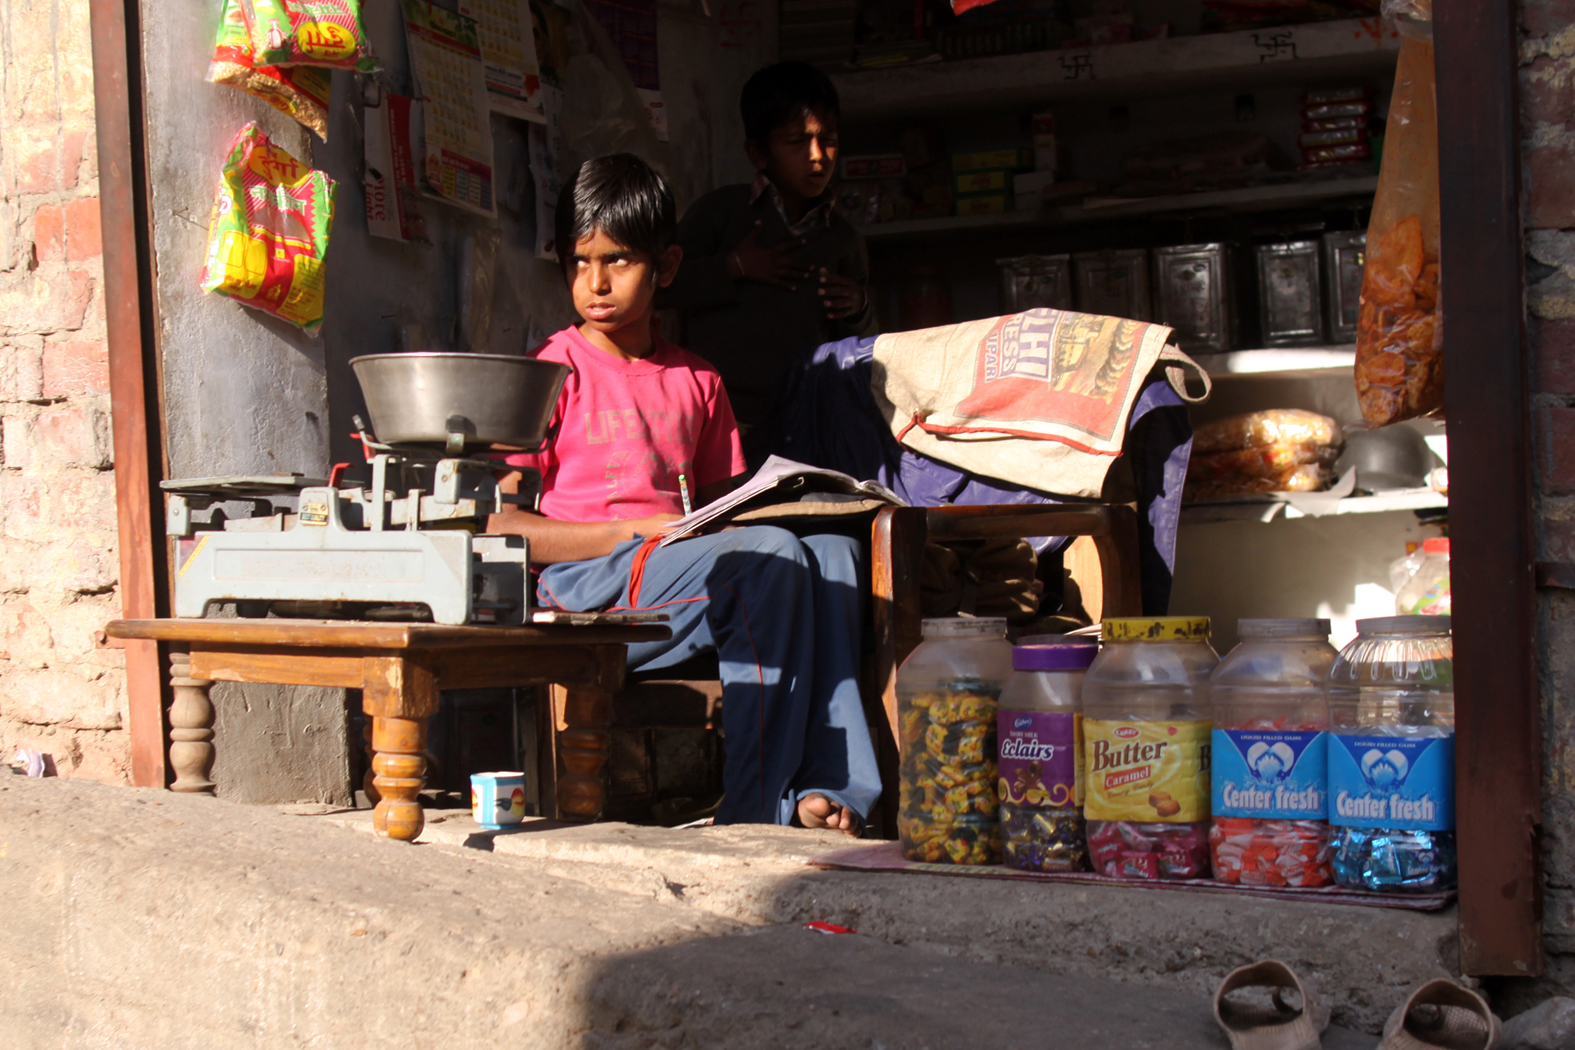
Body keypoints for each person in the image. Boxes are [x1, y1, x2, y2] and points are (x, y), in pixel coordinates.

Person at [488, 153, 880, 835]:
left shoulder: (697, 380)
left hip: (678, 586)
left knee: (831, 554)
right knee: (765, 559)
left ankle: (835, 787)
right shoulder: (550, 371)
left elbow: (729, 511)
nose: (596, 283)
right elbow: (499, 527)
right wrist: (633, 531)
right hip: (584, 589)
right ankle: (755, 812)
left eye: (618, 261)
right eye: (580, 263)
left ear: (666, 268)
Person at [659, 61, 877, 463]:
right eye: (797, 141)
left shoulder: (843, 240)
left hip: (808, 423)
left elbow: (860, 347)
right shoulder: (721, 212)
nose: (818, 156)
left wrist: (858, 307)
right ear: (758, 152)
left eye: (828, 139)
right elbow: (658, 289)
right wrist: (734, 267)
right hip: (723, 422)